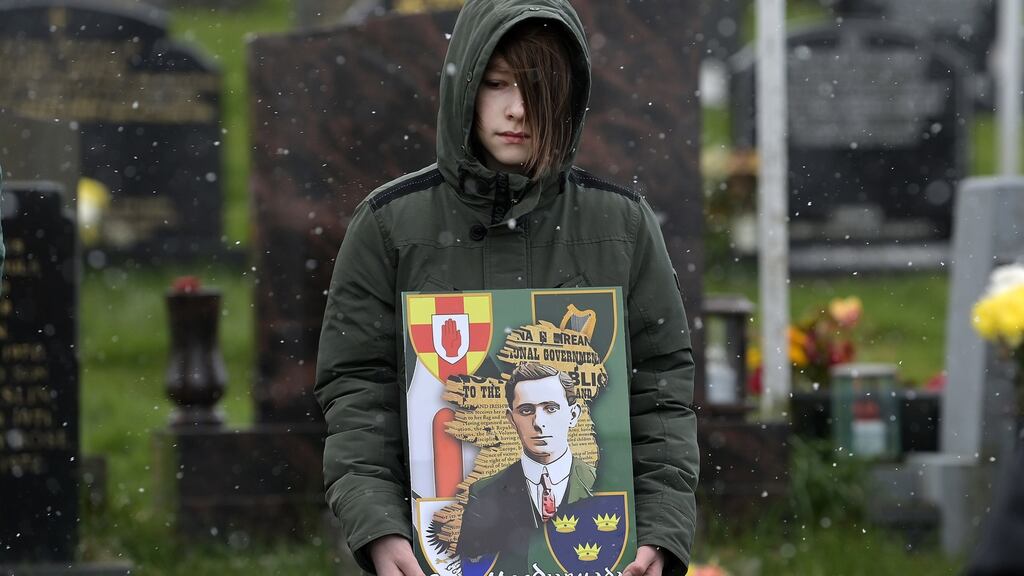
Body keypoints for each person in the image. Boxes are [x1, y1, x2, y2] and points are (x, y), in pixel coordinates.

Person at [315, 1, 699, 575]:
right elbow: (358, 392)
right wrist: (376, 525)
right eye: (496, 84)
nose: (518, 109)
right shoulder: (390, 225)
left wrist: (663, 529)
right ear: (464, 86)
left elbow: (661, 389)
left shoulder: (621, 225)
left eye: (538, 88)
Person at [457, 362, 596, 566]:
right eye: (526, 410)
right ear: (511, 419)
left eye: (550, 408)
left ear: (573, 415)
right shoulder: (484, 493)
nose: (538, 422)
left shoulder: (601, 483)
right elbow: (473, 567)